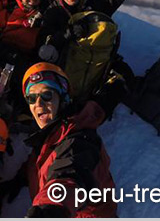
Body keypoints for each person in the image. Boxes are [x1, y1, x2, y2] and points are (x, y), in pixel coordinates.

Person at [20, 62, 117, 217]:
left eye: (46, 95)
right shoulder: (51, 136)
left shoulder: (78, 141)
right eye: (31, 98)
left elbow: (69, 175)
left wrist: (51, 209)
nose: (38, 103)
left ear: (63, 98)